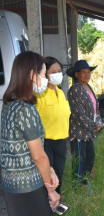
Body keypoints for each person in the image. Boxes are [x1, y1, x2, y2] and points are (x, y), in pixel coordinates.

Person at [1, 51, 60, 216]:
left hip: (11, 185)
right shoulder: (26, 109)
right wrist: (51, 190)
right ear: (32, 75)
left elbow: (23, 148)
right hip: (28, 186)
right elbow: (38, 156)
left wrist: (49, 169)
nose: (45, 79)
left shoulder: (10, 103)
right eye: (43, 74)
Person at [36, 57, 70, 193]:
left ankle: (56, 206)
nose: (57, 74)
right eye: (53, 71)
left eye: (59, 71)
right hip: (46, 142)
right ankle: (46, 208)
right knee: (48, 178)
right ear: (45, 74)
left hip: (61, 142)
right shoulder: (39, 94)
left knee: (59, 175)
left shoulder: (61, 93)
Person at [66, 60, 104, 185]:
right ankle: (77, 185)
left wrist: (98, 123)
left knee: (90, 158)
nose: (87, 75)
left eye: (89, 72)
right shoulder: (74, 89)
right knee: (79, 160)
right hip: (79, 132)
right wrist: (93, 126)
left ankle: (85, 182)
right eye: (84, 72)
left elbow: (95, 109)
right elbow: (78, 114)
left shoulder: (88, 87)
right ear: (77, 74)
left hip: (89, 131)